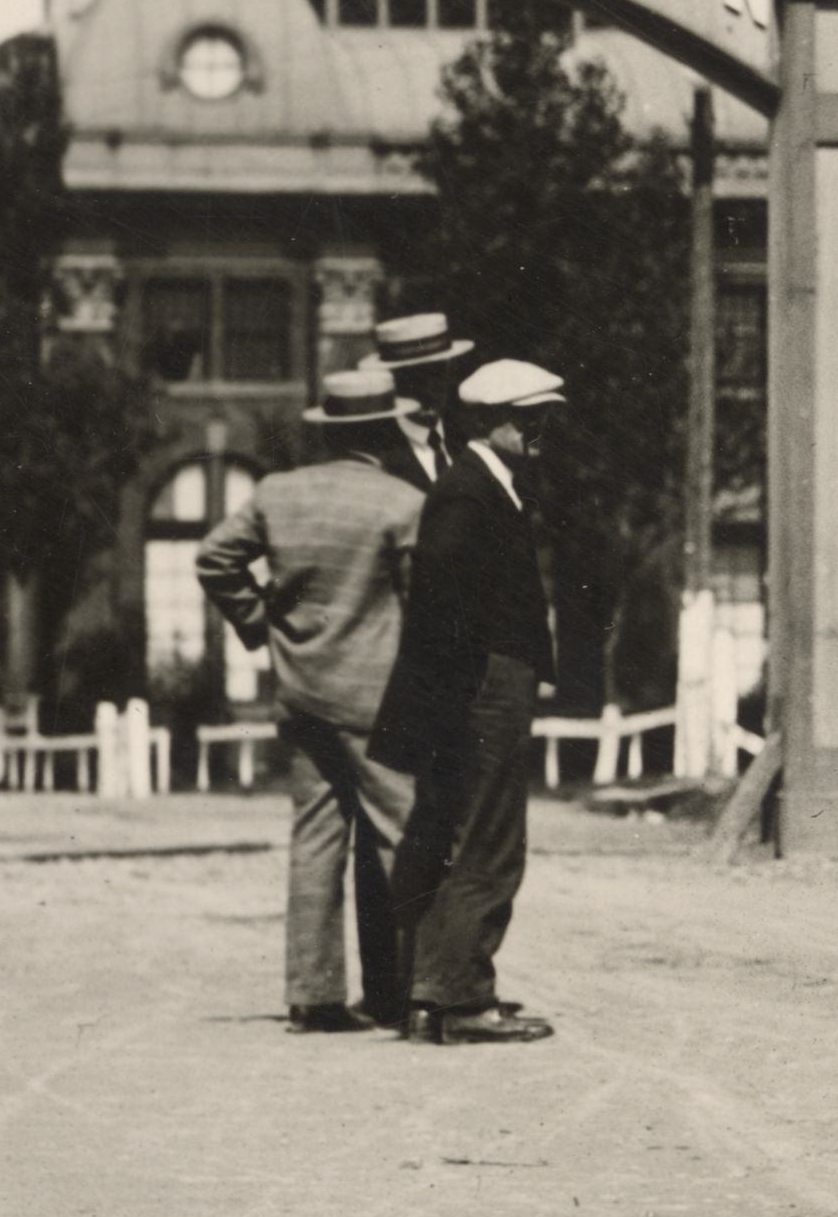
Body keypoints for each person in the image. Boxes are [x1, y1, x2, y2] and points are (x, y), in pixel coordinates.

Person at [195, 366, 428, 1030]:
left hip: (301, 694)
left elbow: (214, 558)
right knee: (400, 838)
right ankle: (416, 991)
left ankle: (313, 996)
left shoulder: (277, 492)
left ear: (327, 430)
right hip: (378, 700)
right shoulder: (400, 502)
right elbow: (421, 604)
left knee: (316, 837)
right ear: (383, 431)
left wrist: (259, 623)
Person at [376, 354, 570, 1045]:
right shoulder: (469, 491)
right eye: (530, 419)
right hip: (484, 685)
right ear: (494, 423)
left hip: (482, 681)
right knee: (489, 838)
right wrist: (464, 690)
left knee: (464, 833)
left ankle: (438, 990)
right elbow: (441, 596)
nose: (543, 429)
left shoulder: (491, 484)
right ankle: (461, 999)